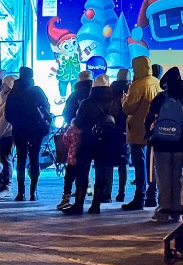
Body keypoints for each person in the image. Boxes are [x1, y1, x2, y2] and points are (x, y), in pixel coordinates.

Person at [67, 75, 126, 215]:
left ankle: (78, 205)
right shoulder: (114, 102)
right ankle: (96, 205)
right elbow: (120, 121)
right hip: (106, 141)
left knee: (82, 172)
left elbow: (78, 123)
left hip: (87, 141)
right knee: (101, 172)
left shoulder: (87, 103)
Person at [145, 67, 183, 222]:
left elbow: (149, 119)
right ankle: (177, 212)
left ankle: (163, 212)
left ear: (166, 83)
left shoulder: (160, 98)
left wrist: (150, 134)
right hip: (181, 144)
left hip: (161, 144)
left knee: (163, 178)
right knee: (178, 177)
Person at [4, 66, 52, 201]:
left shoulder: (14, 93)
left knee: (21, 159)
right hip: (36, 129)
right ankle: (33, 192)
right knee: (34, 158)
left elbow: (8, 114)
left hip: (19, 129)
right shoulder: (37, 91)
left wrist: (16, 122)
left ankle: (21, 193)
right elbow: (46, 107)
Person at [122, 56, 160, 210]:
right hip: (153, 128)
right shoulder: (156, 82)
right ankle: (152, 195)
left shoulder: (137, 85)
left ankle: (139, 197)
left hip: (138, 129)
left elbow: (129, 108)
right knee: (152, 164)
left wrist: (124, 101)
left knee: (139, 163)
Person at [58, 70, 94, 210]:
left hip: (76, 139)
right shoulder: (95, 94)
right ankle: (89, 190)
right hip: (93, 136)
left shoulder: (75, 95)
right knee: (86, 166)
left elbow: (66, 113)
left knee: (71, 170)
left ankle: (68, 197)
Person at [110, 68, 131, 202]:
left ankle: (107, 193)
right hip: (127, 128)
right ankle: (121, 192)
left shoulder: (111, 90)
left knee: (109, 162)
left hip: (112, 128)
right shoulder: (131, 89)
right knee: (124, 162)